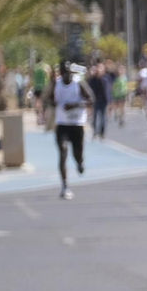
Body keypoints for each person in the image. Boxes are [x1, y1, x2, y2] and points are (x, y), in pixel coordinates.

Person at [47, 61, 93, 200]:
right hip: (62, 124)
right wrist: (52, 103)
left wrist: (74, 105)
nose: (66, 76)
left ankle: (80, 162)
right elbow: (47, 98)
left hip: (77, 124)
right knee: (63, 151)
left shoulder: (79, 83)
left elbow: (91, 99)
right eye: (63, 73)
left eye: (68, 73)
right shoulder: (56, 84)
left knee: (77, 153)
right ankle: (65, 186)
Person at [87, 63, 110, 141]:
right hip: (95, 100)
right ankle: (95, 132)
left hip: (103, 100)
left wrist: (110, 101)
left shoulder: (105, 79)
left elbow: (107, 90)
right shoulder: (92, 80)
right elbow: (90, 90)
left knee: (103, 117)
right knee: (95, 117)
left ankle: (102, 133)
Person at [32, 59, 50, 126]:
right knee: (44, 102)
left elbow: (32, 76)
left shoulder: (35, 67)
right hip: (44, 86)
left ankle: (37, 117)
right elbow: (48, 75)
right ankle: (43, 117)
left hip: (37, 86)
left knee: (37, 101)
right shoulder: (45, 66)